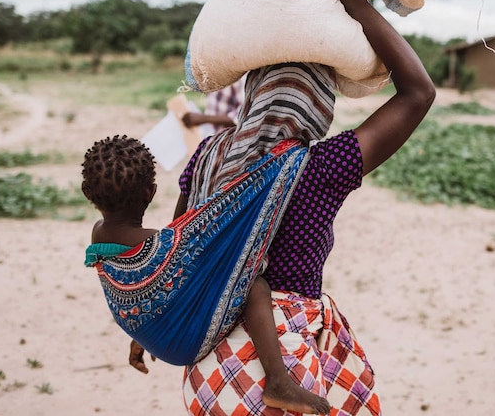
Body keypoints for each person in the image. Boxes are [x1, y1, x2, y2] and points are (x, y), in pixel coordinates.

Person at [129, 0, 436, 415]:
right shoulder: (319, 168)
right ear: (319, 102)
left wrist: (145, 328)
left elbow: (178, 257)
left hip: (208, 362)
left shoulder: (207, 157)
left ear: (253, 93)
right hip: (284, 366)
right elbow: (418, 92)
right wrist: (356, 3)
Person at [82, 134, 330, 414]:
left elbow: (141, 285)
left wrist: (143, 335)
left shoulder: (98, 233)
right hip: (183, 344)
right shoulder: (159, 245)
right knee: (256, 286)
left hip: (143, 329)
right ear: (150, 192)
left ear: (86, 191)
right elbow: (201, 262)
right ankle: (278, 382)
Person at [181, 76, 246, 132]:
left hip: (228, 139)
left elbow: (241, 116)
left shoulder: (239, 80)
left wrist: (204, 119)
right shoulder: (213, 74)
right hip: (211, 134)